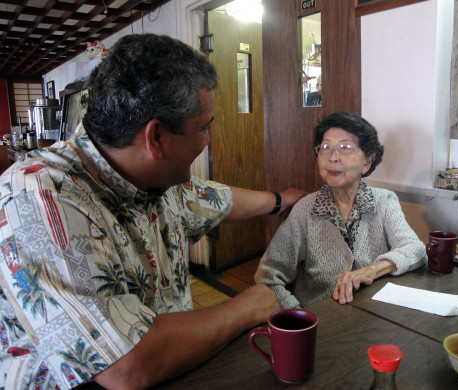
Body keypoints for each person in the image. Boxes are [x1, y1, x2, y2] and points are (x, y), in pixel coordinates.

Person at [0, 34, 306, 390]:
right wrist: (248, 306)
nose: (208, 139)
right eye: (203, 127)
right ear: (156, 138)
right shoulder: (39, 196)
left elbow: (211, 199)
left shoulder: (151, 177)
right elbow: (125, 366)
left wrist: (279, 200)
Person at [255, 111, 427, 309]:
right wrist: (298, 316)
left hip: (377, 318)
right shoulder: (305, 210)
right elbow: (267, 275)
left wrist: (372, 270)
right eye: (325, 148)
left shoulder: (384, 201)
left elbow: (416, 249)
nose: (332, 158)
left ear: (367, 161)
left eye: (345, 148)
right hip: (323, 323)